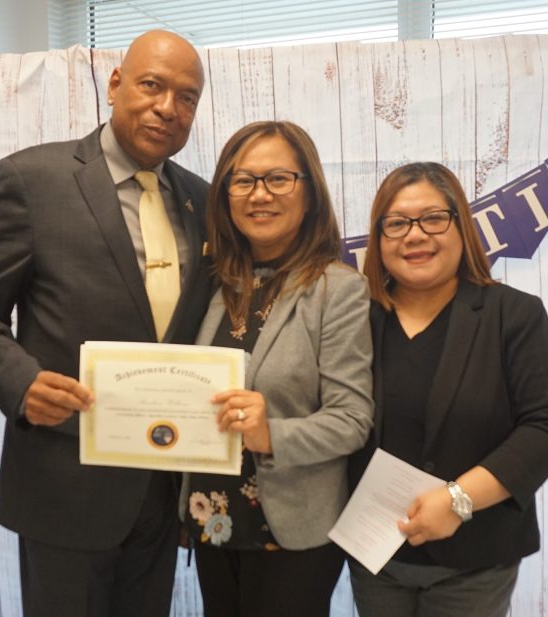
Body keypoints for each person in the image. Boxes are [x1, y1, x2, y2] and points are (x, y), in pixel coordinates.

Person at [0, 30, 212, 617]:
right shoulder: (32, 180)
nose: (168, 108)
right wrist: (21, 381)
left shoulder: (203, 200)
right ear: (115, 85)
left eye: (187, 97)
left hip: (163, 487)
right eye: (152, 85)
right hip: (64, 483)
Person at [348, 162, 548, 616]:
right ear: (378, 239)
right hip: (375, 556)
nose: (414, 235)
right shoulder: (354, 319)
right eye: (396, 224)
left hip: (477, 561)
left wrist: (458, 501)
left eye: (433, 218)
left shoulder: (512, 315)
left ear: (461, 226)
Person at [182, 120, 374, 616]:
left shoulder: (338, 288)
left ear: (308, 192)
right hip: (211, 517)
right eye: (242, 180)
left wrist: (273, 435)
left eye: (277, 179)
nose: (258, 194)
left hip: (292, 528)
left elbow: (352, 419)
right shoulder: (211, 285)